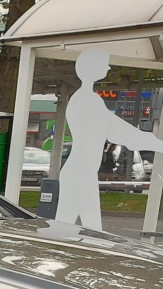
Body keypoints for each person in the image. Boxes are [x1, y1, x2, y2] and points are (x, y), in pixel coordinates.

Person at [56, 49, 163, 232]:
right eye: (104, 63)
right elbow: (119, 131)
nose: (108, 67)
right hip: (80, 173)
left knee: (71, 227)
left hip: (81, 172)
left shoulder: (83, 99)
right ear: (93, 67)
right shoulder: (89, 100)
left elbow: (117, 130)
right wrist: (157, 144)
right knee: (83, 229)